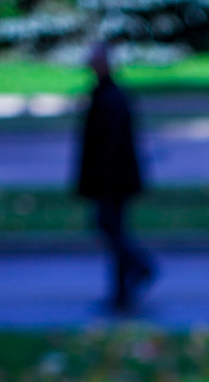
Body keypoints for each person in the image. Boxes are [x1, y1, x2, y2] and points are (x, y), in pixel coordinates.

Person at [75, 42, 155, 313]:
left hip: (112, 182)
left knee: (111, 230)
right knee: (114, 232)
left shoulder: (110, 97)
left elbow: (109, 148)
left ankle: (141, 267)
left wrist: (99, 182)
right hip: (113, 180)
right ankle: (121, 293)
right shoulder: (107, 94)